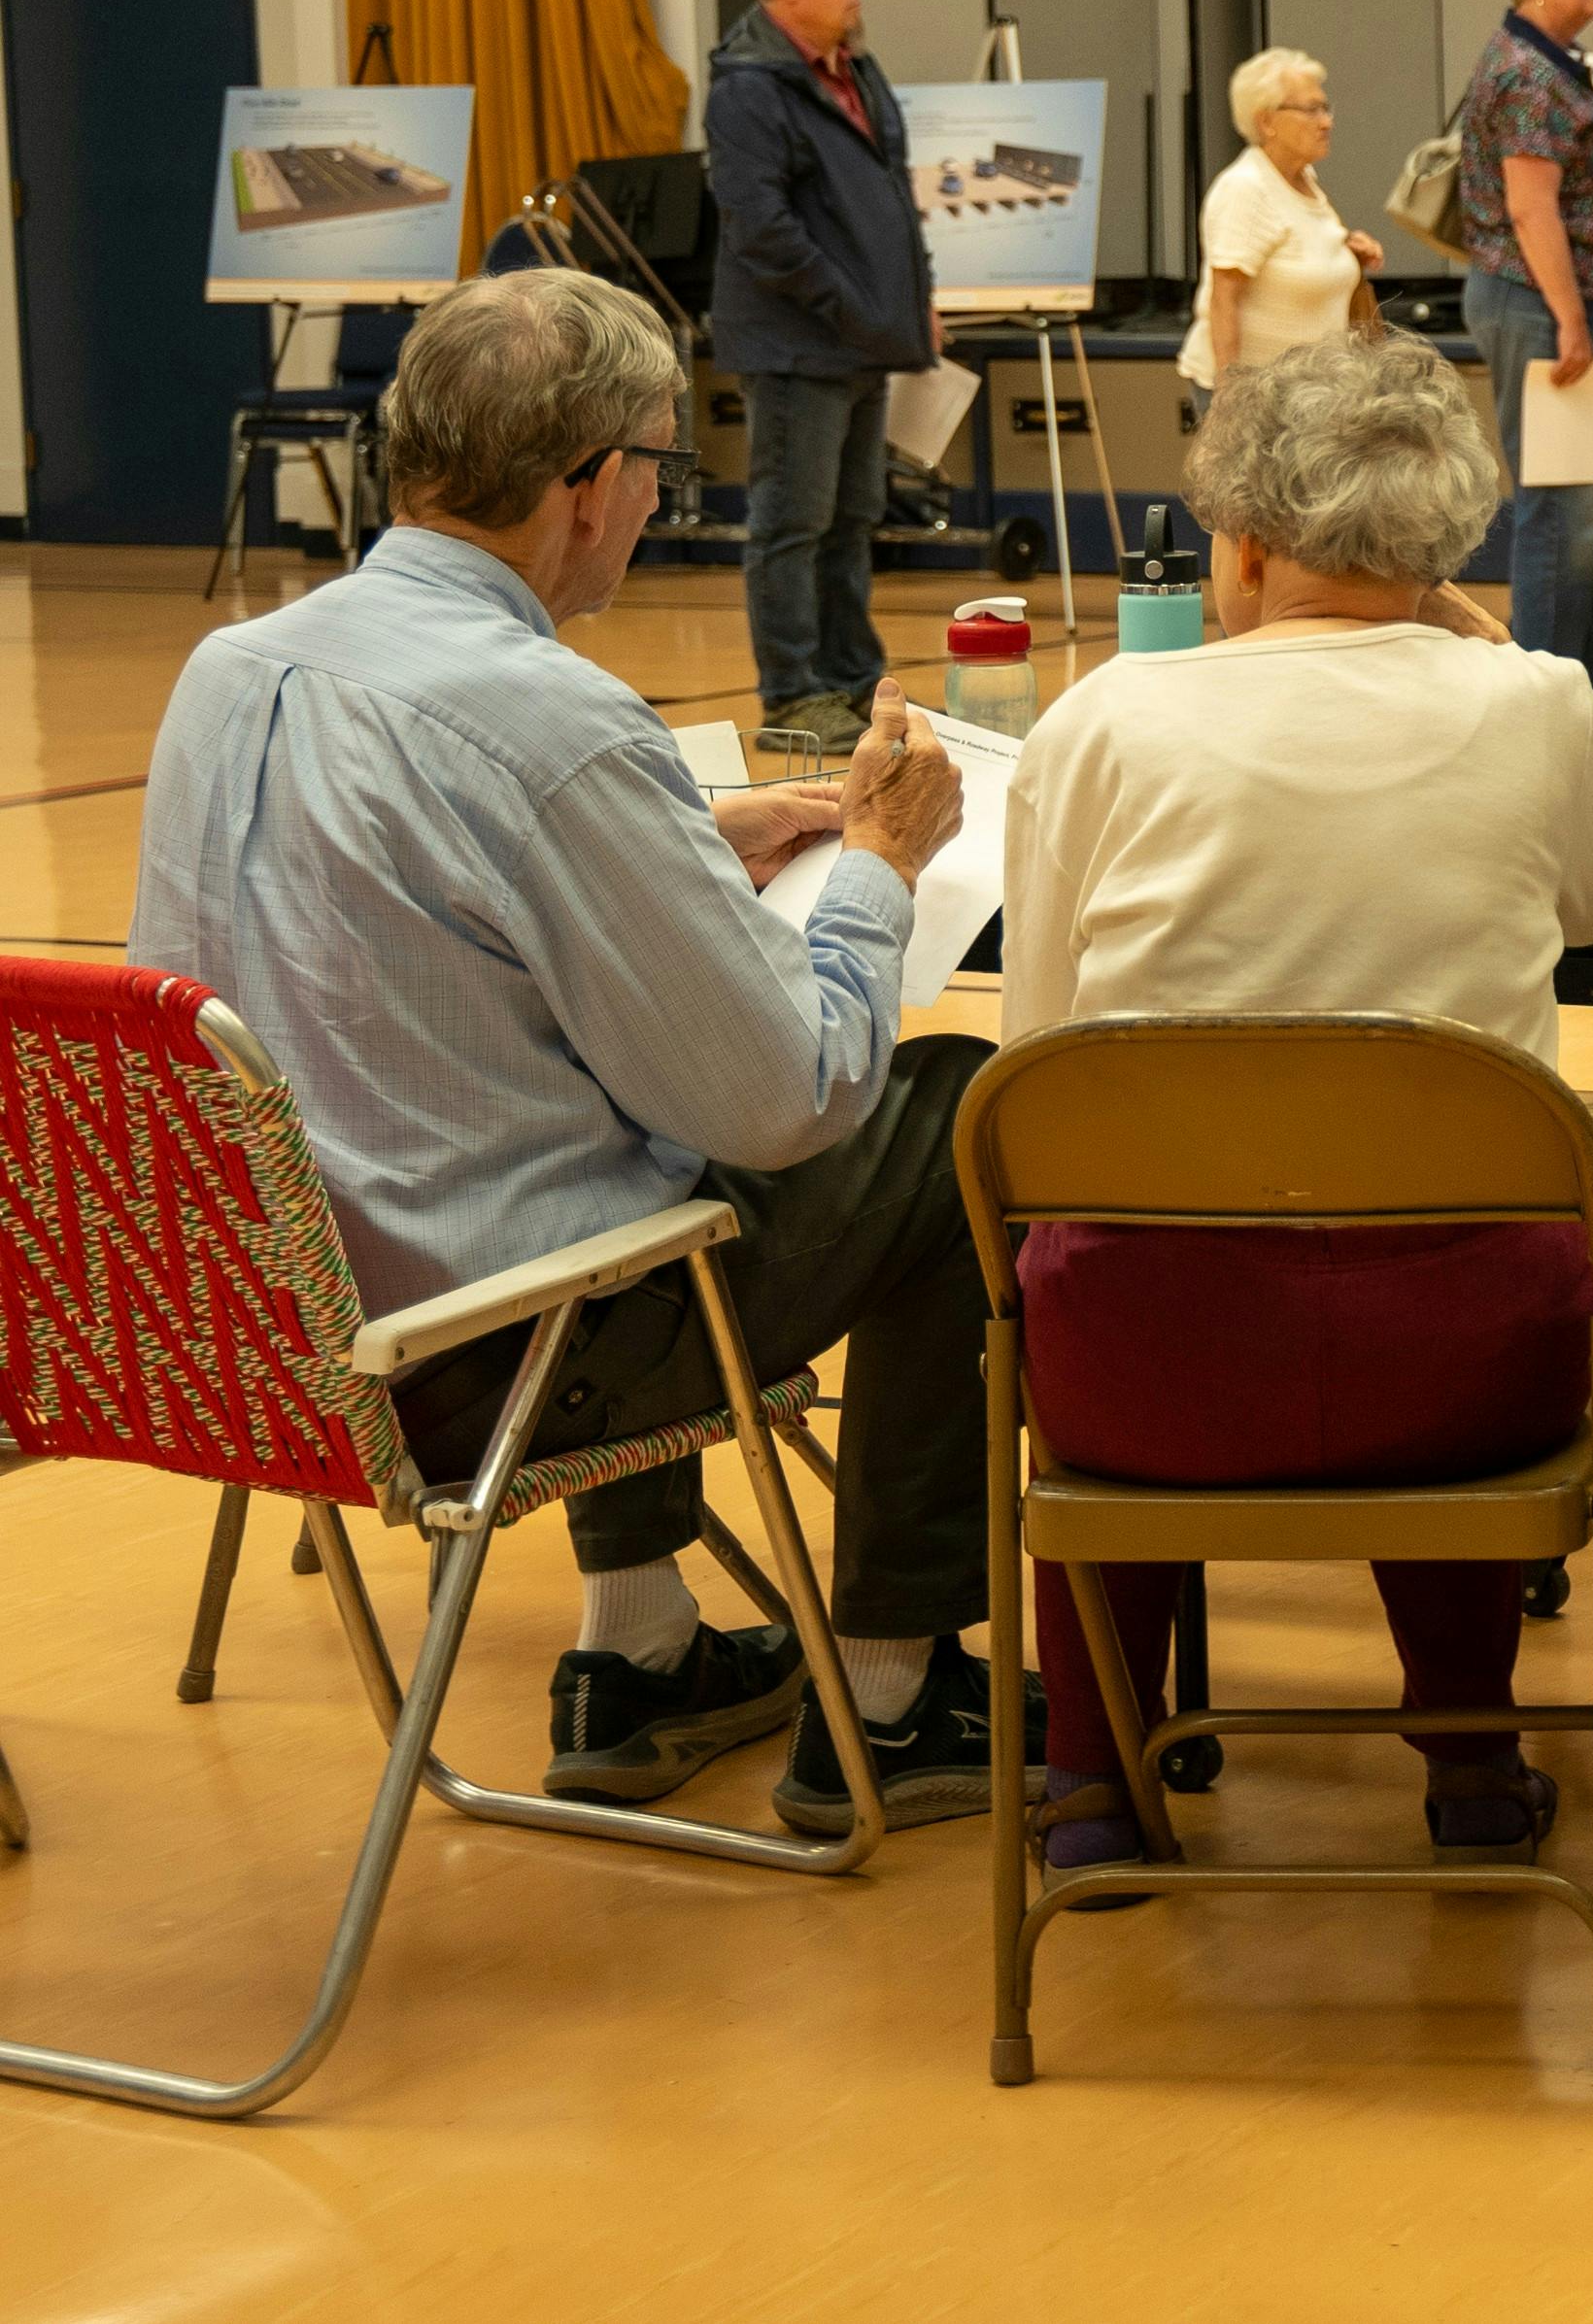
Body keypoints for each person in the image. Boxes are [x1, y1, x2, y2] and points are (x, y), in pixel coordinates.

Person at [127, 267, 1008, 1837]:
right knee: (951, 1116)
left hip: (252, 1332)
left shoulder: (229, 668)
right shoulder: (551, 719)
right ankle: (887, 1685)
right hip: (489, 1362)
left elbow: (422, 928)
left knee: (583, 1091)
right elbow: (789, 1094)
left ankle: (640, 1648)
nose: (661, 491)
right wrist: (873, 856)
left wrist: (675, 844)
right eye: (663, 459)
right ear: (589, 486)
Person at [996, 333, 1593, 1881]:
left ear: (1236, 543)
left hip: (1149, 1371)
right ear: (1447, 544)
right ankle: (1472, 1757)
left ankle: (1093, 1779)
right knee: (1436, 1230)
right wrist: (1487, 654)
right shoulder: (1539, 699)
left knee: (1108, 1255)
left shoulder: (1104, 720)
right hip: (1466, 1364)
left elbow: (1041, 1065)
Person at [705, 0, 933, 753]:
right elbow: (762, 229)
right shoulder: (748, 89)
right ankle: (792, 694)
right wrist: (850, 306)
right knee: (793, 520)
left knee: (851, 515)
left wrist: (914, 298)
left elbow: (892, 203)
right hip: (799, 343)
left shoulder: (855, 68)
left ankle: (848, 675)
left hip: (860, 335)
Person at [1445, 0, 1593, 694]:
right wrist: (1570, 320)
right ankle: (1548, 686)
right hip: (1543, 309)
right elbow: (1531, 211)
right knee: (1563, 511)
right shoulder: (1528, 72)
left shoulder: (1551, 59)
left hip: (1572, 311)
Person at [1192, 47, 1384, 393]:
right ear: (1266, 121)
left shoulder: (1303, 179)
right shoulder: (1245, 188)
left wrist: (1347, 255)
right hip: (1260, 400)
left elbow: (1297, 255)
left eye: (1325, 108)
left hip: (1311, 393)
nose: (1327, 122)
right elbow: (1223, 301)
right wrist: (1230, 400)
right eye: (1311, 110)